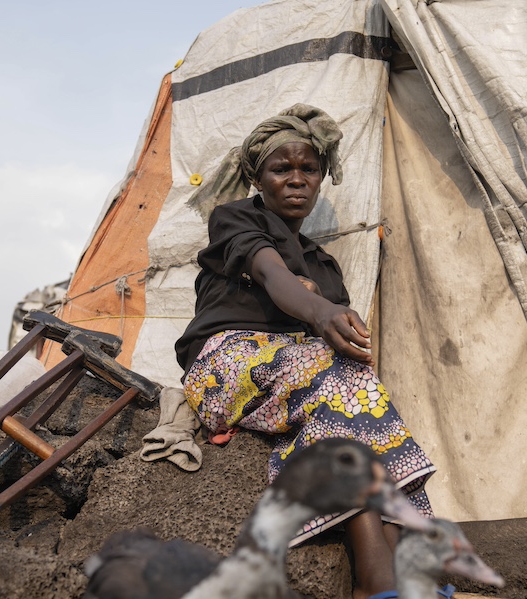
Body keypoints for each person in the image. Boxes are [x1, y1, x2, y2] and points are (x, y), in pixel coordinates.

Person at [175, 104, 435, 599]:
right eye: (281, 169)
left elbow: (331, 342)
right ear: (256, 176)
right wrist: (318, 312)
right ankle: (378, 580)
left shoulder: (324, 263)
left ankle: (392, 578)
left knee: (363, 396)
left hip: (300, 378)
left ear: (321, 177)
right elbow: (272, 275)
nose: (297, 180)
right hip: (224, 364)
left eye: (308, 169)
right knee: (340, 378)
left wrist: (334, 323)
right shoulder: (236, 220)